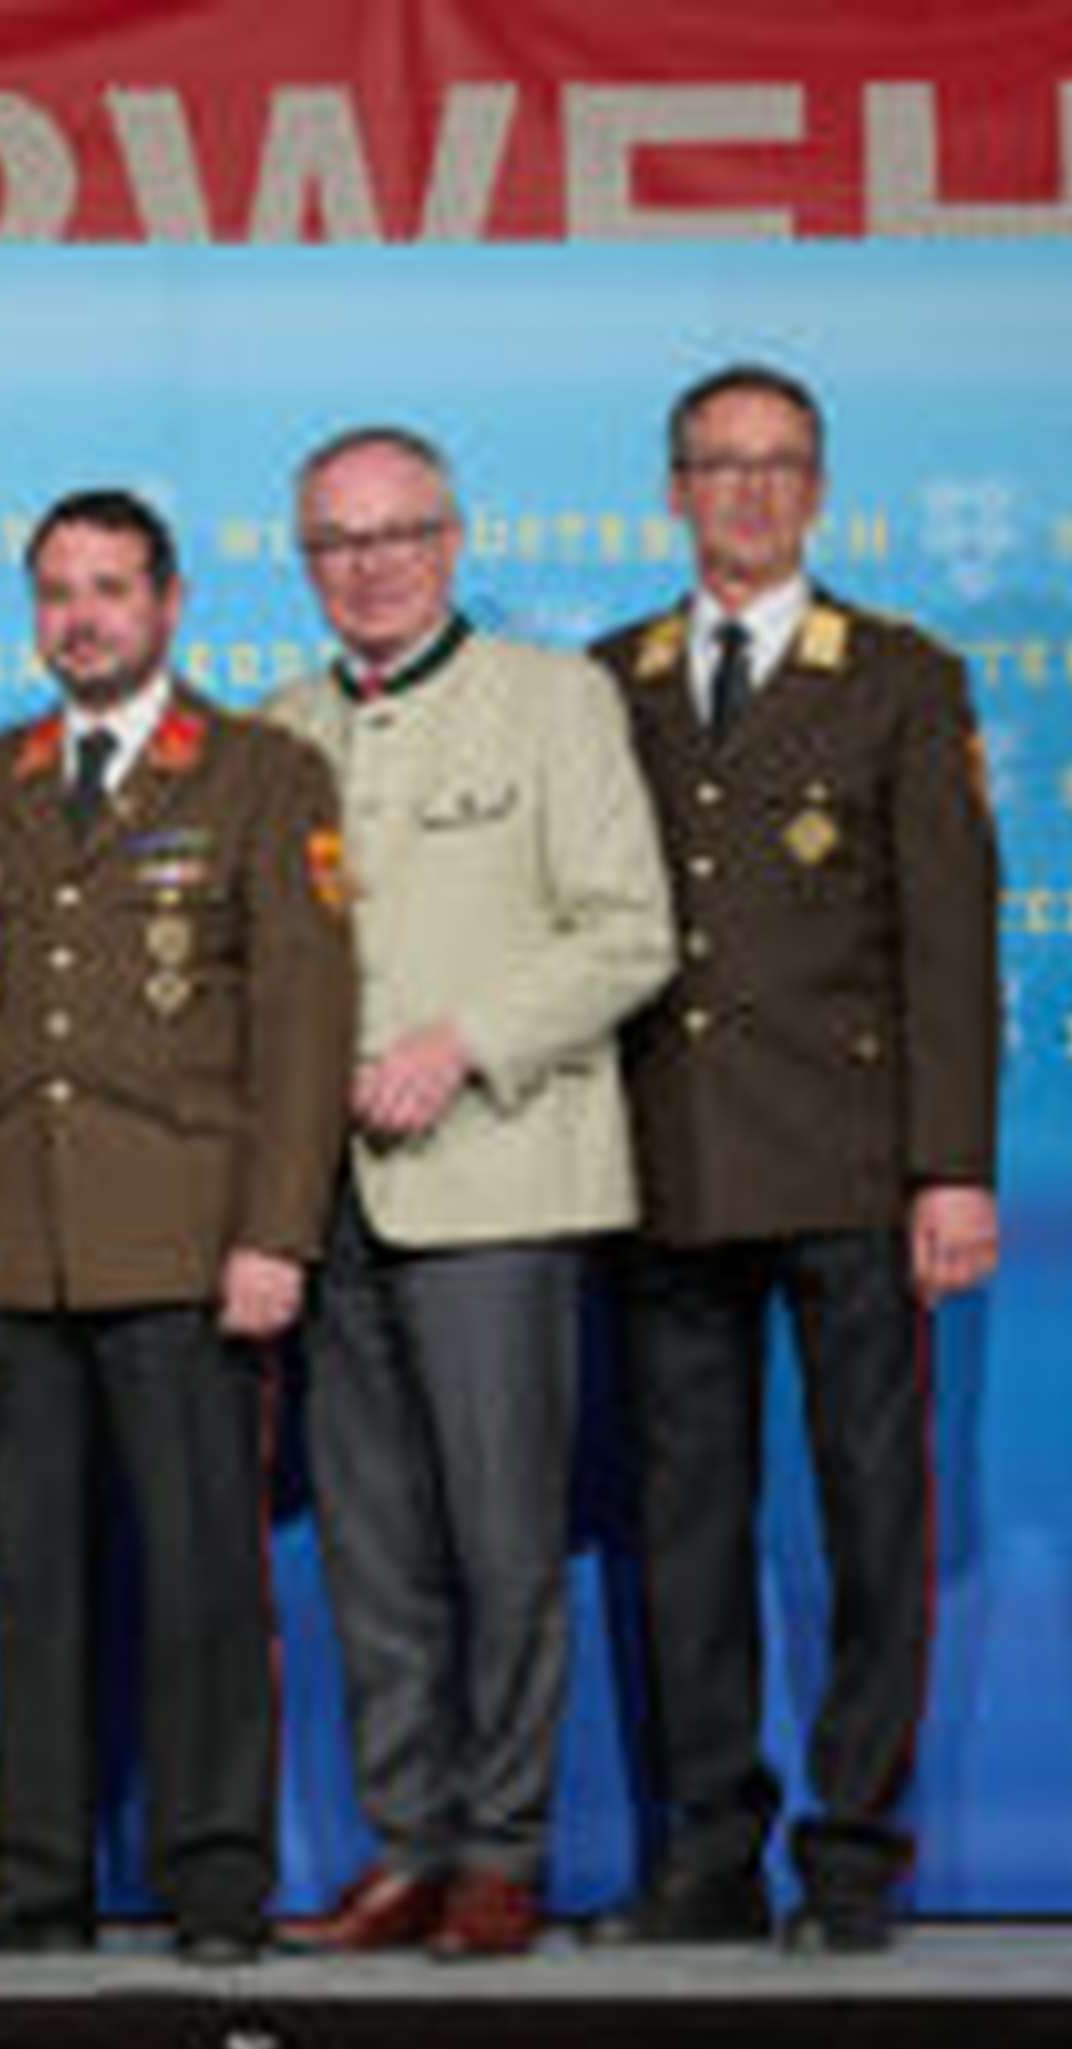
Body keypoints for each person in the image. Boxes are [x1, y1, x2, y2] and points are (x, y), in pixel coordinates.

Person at [0, 488, 354, 1966]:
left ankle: (215, 1876)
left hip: (186, 1246)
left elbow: (302, 1023)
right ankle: (32, 1880)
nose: (80, 616)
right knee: (31, 1586)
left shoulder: (265, 775)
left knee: (204, 1583)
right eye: (56, 592)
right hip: (10, 1243)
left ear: (168, 605)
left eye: (108, 588)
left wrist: (278, 1232)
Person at [589, 363, 1002, 1954]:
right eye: (719, 465)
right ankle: (705, 1847)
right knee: (684, 1524)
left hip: (846, 1162)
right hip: (667, 1167)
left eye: (780, 466)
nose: (750, 493)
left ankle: (848, 1848)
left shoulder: (898, 676)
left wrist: (951, 1164)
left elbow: (949, 946)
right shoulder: (607, 680)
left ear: (818, 490)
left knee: (865, 1515)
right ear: (673, 488)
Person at [262, 427, 674, 1959]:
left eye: (396, 534)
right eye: (335, 542)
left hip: (495, 1180)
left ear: (450, 539)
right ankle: (404, 1847)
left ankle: (503, 1849)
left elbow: (632, 932)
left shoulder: (555, 700)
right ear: (308, 563)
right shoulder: (280, 726)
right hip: (330, 1204)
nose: (367, 565)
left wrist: (467, 1044)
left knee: (507, 1544)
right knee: (371, 1553)